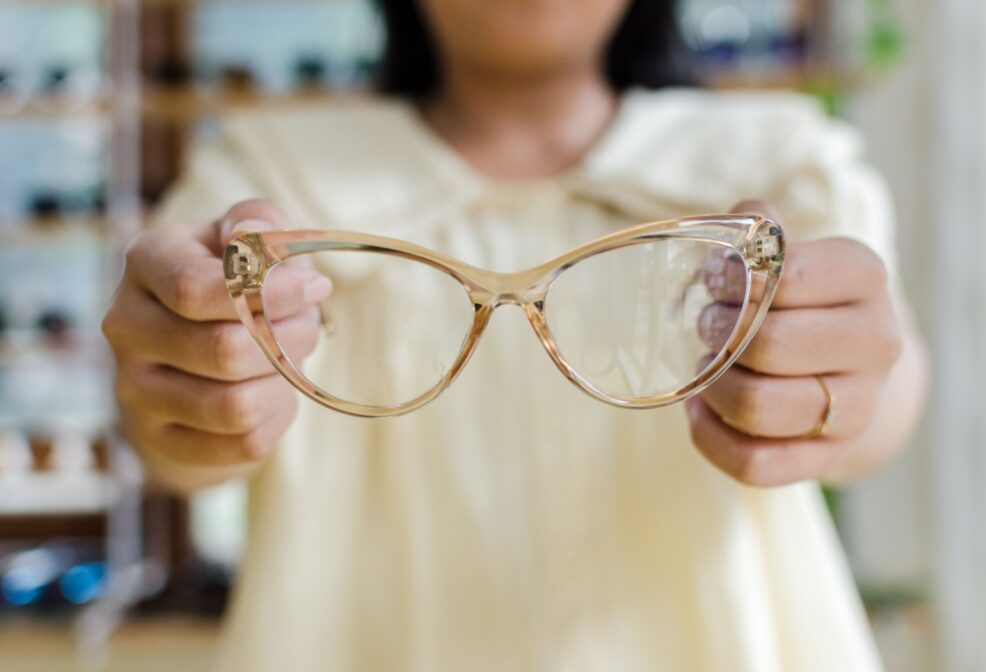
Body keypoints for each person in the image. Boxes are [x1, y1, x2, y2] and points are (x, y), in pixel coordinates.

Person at [102, 0, 928, 669]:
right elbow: (170, 437)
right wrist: (188, 385)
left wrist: (836, 389)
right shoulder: (266, 179)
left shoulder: (779, 165)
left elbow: (887, 394)